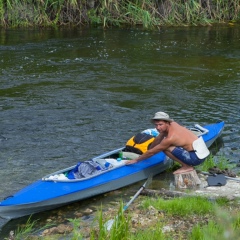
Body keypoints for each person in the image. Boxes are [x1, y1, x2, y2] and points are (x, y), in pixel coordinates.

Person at [125, 112, 210, 174]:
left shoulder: (170, 138)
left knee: (165, 147)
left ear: (167, 123)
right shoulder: (173, 124)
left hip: (196, 158)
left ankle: (187, 166)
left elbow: (152, 152)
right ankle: (186, 163)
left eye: (160, 125)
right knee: (162, 139)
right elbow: (159, 137)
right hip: (200, 152)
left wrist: (136, 160)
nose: (158, 127)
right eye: (156, 125)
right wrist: (149, 149)